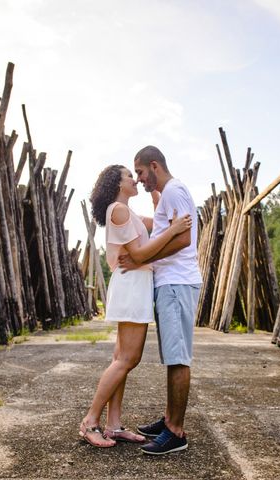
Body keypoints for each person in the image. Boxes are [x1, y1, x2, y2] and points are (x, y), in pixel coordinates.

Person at [79, 164, 192, 448]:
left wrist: (159, 198)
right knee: (127, 359)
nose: (134, 179)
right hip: (131, 286)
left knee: (122, 358)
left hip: (135, 284)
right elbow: (141, 253)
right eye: (130, 176)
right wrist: (175, 229)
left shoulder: (127, 212)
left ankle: (113, 425)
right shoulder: (118, 210)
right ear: (118, 184)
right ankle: (90, 422)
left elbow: (154, 224)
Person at [120, 145, 202, 455]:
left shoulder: (173, 191)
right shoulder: (166, 195)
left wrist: (144, 257)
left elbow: (183, 239)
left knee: (178, 357)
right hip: (170, 283)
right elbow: (166, 229)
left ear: (154, 166)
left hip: (177, 282)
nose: (139, 180)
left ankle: (176, 432)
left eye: (140, 172)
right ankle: (169, 419)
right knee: (172, 356)